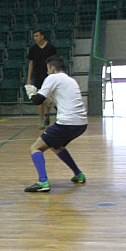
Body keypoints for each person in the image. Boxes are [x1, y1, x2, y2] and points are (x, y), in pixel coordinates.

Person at [23, 55, 87, 193]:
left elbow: (38, 101)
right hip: (81, 123)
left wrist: (31, 94)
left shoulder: (52, 78)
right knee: (55, 145)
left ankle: (43, 181)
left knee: (35, 148)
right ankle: (78, 174)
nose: (47, 72)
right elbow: (62, 104)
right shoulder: (71, 81)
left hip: (67, 123)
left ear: (52, 68)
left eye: (47, 69)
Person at [26, 28, 58, 130]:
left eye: (37, 36)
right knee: (39, 98)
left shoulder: (51, 48)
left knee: (49, 97)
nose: (35, 38)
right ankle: (41, 121)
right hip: (37, 76)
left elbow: (54, 62)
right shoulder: (33, 49)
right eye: (34, 36)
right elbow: (31, 63)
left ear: (42, 36)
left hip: (49, 76)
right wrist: (29, 78)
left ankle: (47, 114)